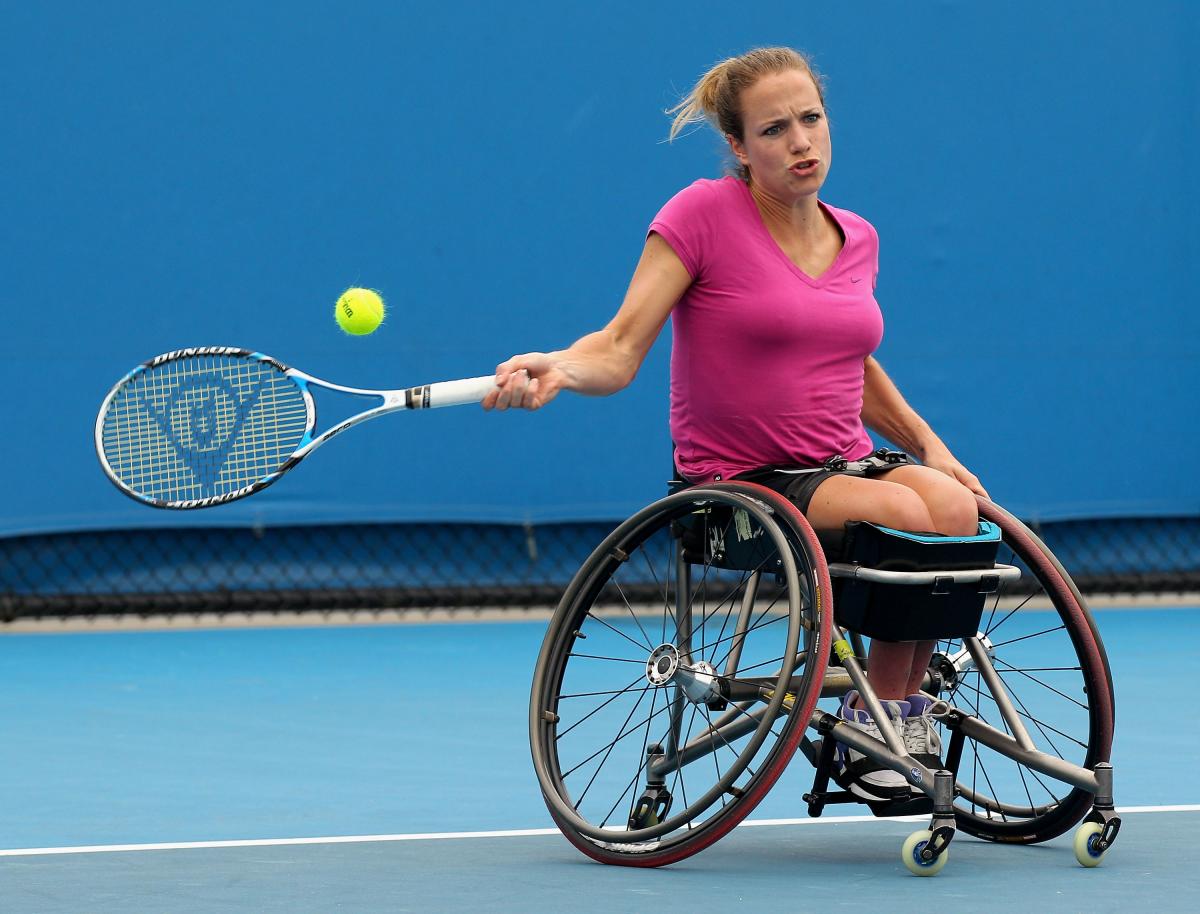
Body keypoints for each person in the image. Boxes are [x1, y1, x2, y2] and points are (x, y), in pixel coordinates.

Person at [484, 47, 987, 801]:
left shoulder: (858, 237)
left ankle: (892, 712)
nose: (801, 142)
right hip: (739, 487)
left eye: (811, 119)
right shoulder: (700, 216)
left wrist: (931, 447)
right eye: (775, 129)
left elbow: (853, 363)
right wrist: (559, 366)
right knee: (905, 514)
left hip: (843, 464)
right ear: (739, 148)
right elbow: (619, 349)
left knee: (955, 509)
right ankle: (880, 723)